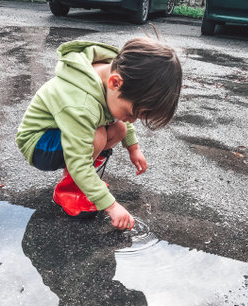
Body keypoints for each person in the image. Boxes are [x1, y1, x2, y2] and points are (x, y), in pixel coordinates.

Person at [16, 37, 182, 230]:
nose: (132, 120)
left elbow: (122, 121)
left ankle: (85, 185)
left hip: (62, 133)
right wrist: (111, 206)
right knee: (98, 136)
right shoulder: (81, 104)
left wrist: (133, 148)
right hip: (38, 144)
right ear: (115, 82)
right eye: (130, 113)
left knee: (119, 128)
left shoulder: (114, 75)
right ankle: (68, 191)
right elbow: (79, 161)